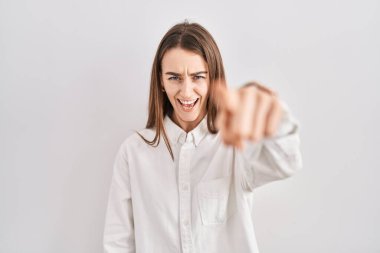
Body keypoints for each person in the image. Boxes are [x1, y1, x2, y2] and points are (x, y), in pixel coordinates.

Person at [103, 20, 303, 253]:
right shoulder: (133, 152)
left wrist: (272, 113)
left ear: (212, 78)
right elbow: (118, 244)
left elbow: (287, 162)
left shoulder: (235, 146)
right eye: (174, 77)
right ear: (161, 80)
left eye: (197, 76)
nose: (186, 91)